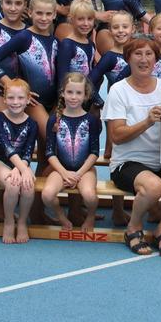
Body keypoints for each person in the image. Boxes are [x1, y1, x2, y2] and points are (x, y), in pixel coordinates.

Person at [102, 36, 161, 258]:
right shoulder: (118, 90)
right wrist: (147, 122)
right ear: (128, 58)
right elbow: (117, 136)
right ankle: (133, 228)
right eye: (138, 54)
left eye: (149, 54)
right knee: (154, 186)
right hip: (128, 162)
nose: (144, 59)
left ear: (156, 59)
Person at [0, 0, 59, 171]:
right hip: (35, 102)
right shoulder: (24, 36)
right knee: (56, 145)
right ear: (30, 13)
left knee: (46, 155)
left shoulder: (54, 39)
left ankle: (38, 199)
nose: (43, 18)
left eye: (48, 14)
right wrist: (9, 83)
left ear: (54, 15)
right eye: (39, 13)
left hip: (53, 102)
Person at [42, 73, 102, 233]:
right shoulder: (54, 119)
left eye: (78, 93)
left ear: (86, 95)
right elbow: (49, 152)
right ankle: (61, 216)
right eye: (70, 92)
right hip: (60, 169)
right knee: (47, 195)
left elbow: (94, 152)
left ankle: (90, 216)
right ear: (62, 93)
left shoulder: (91, 120)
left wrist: (78, 174)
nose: (73, 97)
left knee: (89, 196)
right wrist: (64, 172)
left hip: (85, 169)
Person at [0, 79, 39, 244]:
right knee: (12, 184)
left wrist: (21, 169)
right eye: (11, 98)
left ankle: (23, 222)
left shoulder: (32, 124)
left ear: (27, 100)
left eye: (20, 98)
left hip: (23, 163)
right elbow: (6, 147)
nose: (15, 102)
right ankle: (9, 221)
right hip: (1, 163)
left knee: (27, 185)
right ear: (4, 99)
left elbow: (28, 150)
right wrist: (21, 170)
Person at [55, 0, 97, 93]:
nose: (86, 23)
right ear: (71, 19)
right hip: (71, 99)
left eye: (89, 19)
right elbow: (62, 80)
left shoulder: (91, 45)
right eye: (80, 19)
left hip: (85, 96)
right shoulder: (67, 45)